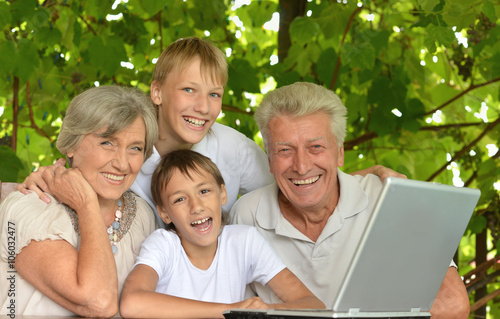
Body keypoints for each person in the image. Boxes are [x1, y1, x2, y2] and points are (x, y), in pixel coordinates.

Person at [18, 37, 404, 226]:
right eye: (189, 90)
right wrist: (46, 177)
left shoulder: (234, 149)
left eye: (214, 94)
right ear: (156, 92)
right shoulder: (128, 146)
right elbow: (81, 167)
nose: (203, 107)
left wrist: (358, 177)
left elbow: (296, 184)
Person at [230, 82, 471, 319]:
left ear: (340, 152)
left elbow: (453, 303)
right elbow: (237, 313)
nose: (301, 166)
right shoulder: (248, 214)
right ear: (270, 159)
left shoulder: (386, 198)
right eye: (284, 150)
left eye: (316, 147)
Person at [0, 85, 159, 317]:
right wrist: (86, 204)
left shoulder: (142, 214)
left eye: (135, 148)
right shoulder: (29, 208)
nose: (123, 164)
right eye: (107, 143)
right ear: (71, 145)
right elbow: (99, 301)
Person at [119, 150, 325, 319]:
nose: (196, 206)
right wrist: (229, 310)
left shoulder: (244, 242)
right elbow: (131, 303)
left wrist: (263, 310)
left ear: (223, 194)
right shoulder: (163, 245)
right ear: (164, 213)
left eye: (204, 191)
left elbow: (314, 305)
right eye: (180, 199)